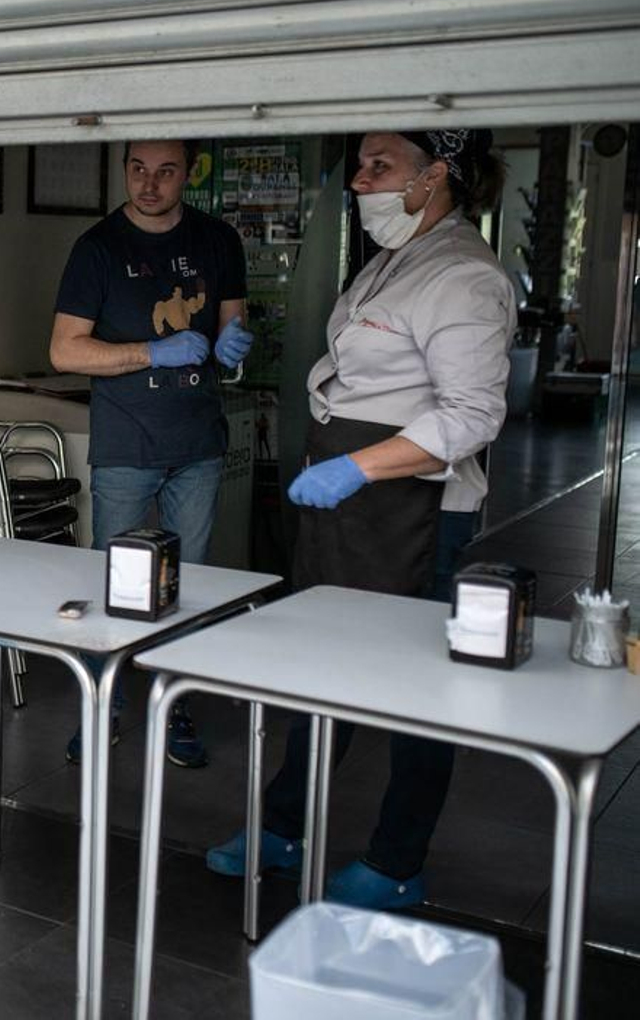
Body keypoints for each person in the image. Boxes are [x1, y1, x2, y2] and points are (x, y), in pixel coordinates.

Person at [206, 129, 512, 910]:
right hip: (349, 502)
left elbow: (473, 414)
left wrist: (357, 466)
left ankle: (397, 860)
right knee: (323, 666)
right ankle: (284, 824)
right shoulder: (395, 260)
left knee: (418, 694)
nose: (360, 182)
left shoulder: (464, 276)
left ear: (434, 176)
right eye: (361, 166)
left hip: (414, 512)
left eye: (382, 167)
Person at [50, 139, 253, 768]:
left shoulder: (219, 241)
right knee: (117, 582)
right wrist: (149, 351)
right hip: (127, 443)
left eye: (165, 172)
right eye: (138, 169)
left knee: (187, 584)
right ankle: (102, 704)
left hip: (198, 442)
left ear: (189, 175)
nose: (149, 183)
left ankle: (175, 703)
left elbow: (234, 324)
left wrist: (238, 345)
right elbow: (65, 351)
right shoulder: (98, 248)